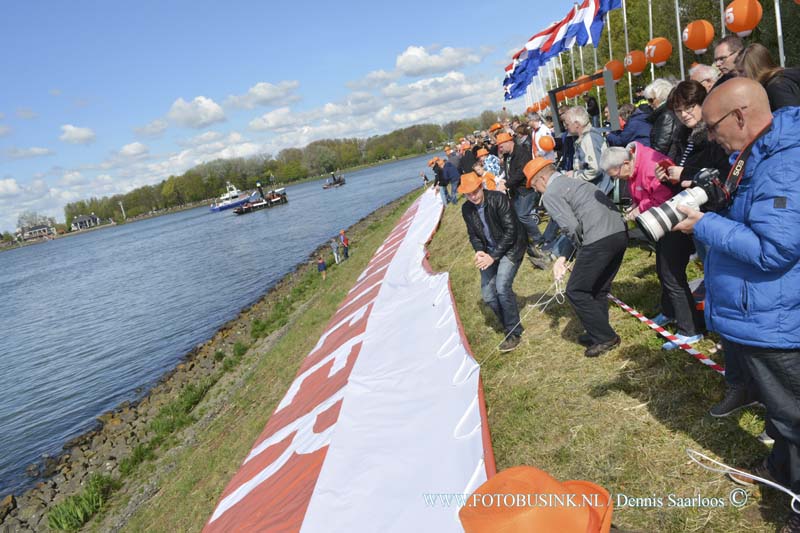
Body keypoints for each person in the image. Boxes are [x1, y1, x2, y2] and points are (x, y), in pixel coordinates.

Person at [673, 78, 800, 533]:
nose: (710, 137)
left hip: (778, 318)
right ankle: (781, 472)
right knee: (783, 410)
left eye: (711, 127)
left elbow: (773, 249)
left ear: (741, 117)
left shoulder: (785, 163)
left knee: (794, 414)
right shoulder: (756, 152)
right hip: (760, 312)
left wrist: (704, 225)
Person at [600, 142, 702, 351]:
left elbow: (665, 199)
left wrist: (640, 210)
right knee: (663, 271)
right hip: (662, 225)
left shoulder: (649, 168)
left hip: (676, 223)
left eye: (616, 175)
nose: (616, 180)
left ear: (626, 163)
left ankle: (690, 331)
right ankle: (669, 311)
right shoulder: (633, 166)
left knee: (672, 276)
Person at [525, 157, 628, 357]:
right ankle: (597, 331)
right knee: (597, 287)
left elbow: (570, 227)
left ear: (542, 180)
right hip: (619, 232)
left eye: (534, 186)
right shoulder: (574, 181)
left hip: (598, 238)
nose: (536, 191)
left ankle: (606, 338)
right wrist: (565, 255)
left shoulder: (550, 194)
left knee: (576, 290)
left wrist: (579, 252)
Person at [460, 172, 527, 352]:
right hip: (489, 251)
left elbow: (511, 231)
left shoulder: (499, 199)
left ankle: (514, 332)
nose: (473, 196)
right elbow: (473, 235)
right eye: (468, 194)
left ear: (481, 186)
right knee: (489, 295)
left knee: (502, 286)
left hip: (512, 247)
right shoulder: (466, 209)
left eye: (475, 191)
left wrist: (493, 256)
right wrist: (479, 251)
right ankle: (507, 322)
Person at [496, 131, 545, 254]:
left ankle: (539, 239)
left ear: (508, 142)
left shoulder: (522, 153)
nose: (499, 149)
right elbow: (509, 172)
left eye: (501, 146)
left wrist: (506, 184)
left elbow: (521, 173)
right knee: (516, 216)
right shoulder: (507, 155)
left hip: (526, 189)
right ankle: (525, 240)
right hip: (515, 191)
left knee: (523, 215)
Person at [562, 106, 613, 195]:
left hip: (598, 192)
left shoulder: (589, 138)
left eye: (567, 124)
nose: (566, 127)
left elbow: (595, 169)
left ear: (577, 124)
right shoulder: (587, 137)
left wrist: (575, 175)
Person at [735, 43, 800, 112]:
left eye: (741, 71)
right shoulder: (779, 81)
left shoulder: (776, 87)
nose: (738, 77)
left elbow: (791, 119)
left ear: (754, 69)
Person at [644, 78, 682, 160]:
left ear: (661, 97)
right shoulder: (665, 113)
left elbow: (660, 147)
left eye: (651, 100)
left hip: (667, 163)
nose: (649, 104)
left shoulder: (666, 116)